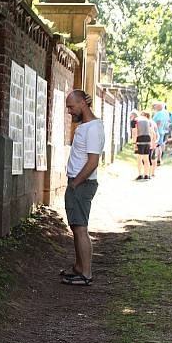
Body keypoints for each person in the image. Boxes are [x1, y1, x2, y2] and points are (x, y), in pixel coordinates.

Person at [61, 90, 105, 286]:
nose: (69, 111)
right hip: (78, 183)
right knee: (76, 226)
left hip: (82, 184)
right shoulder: (86, 125)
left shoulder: (93, 128)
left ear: (82, 104)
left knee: (80, 229)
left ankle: (85, 273)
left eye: (71, 107)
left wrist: (76, 183)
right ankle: (79, 267)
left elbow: (93, 161)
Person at [131, 109, 153, 180]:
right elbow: (151, 131)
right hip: (148, 140)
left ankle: (140, 175)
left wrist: (134, 143)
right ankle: (147, 175)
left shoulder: (134, 121)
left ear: (134, 116)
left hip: (140, 140)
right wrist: (151, 141)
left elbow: (134, 132)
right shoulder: (147, 120)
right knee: (146, 158)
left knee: (139, 158)